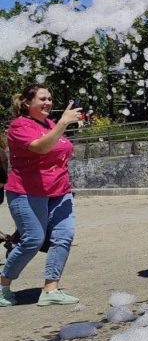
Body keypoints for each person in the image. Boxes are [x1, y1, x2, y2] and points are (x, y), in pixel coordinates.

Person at [1, 85, 83, 307]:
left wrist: (60, 124)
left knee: (64, 237)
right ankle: (2, 285)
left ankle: (50, 289)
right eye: (42, 99)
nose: (48, 102)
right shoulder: (19, 126)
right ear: (27, 103)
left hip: (60, 191)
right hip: (27, 191)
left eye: (50, 98)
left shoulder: (49, 124)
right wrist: (63, 123)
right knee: (33, 240)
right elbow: (41, 148)